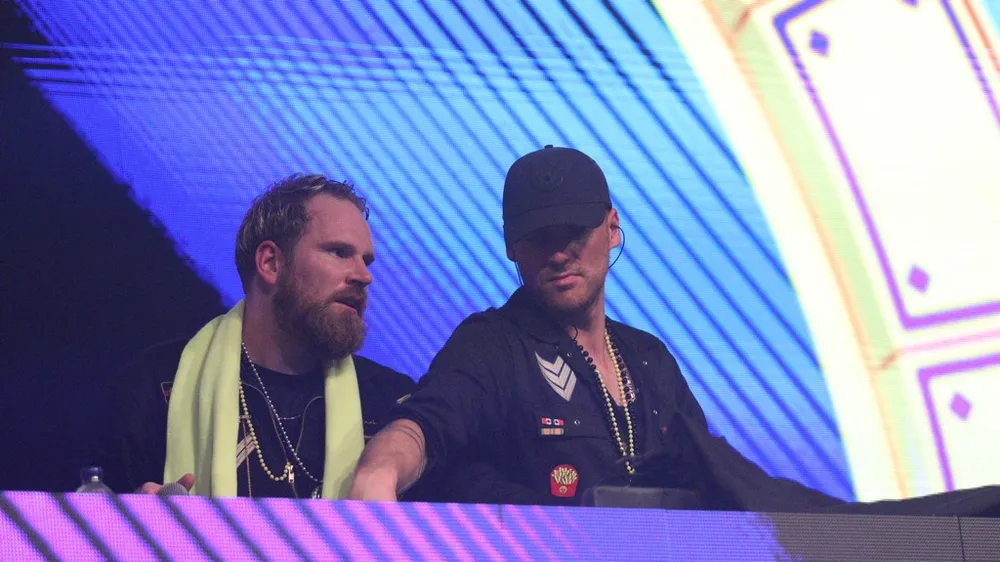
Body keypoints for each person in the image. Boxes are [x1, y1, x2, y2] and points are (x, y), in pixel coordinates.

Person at [350, 146, 1000, 515]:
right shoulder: (492, 343)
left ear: (612, 228)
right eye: (538, 236)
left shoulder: (648, 357)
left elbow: (719, 479)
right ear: (510, 247)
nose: (559, 252)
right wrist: (378, 478)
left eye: (574, 231)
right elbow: (424, 425)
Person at [105, 174, 415, 498]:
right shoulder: (155, 386)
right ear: (270, 263)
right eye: (339, 252)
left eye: (366, 261)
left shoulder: (391, 405)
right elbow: (87, 514)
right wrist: (132, 513)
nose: (364, 276)